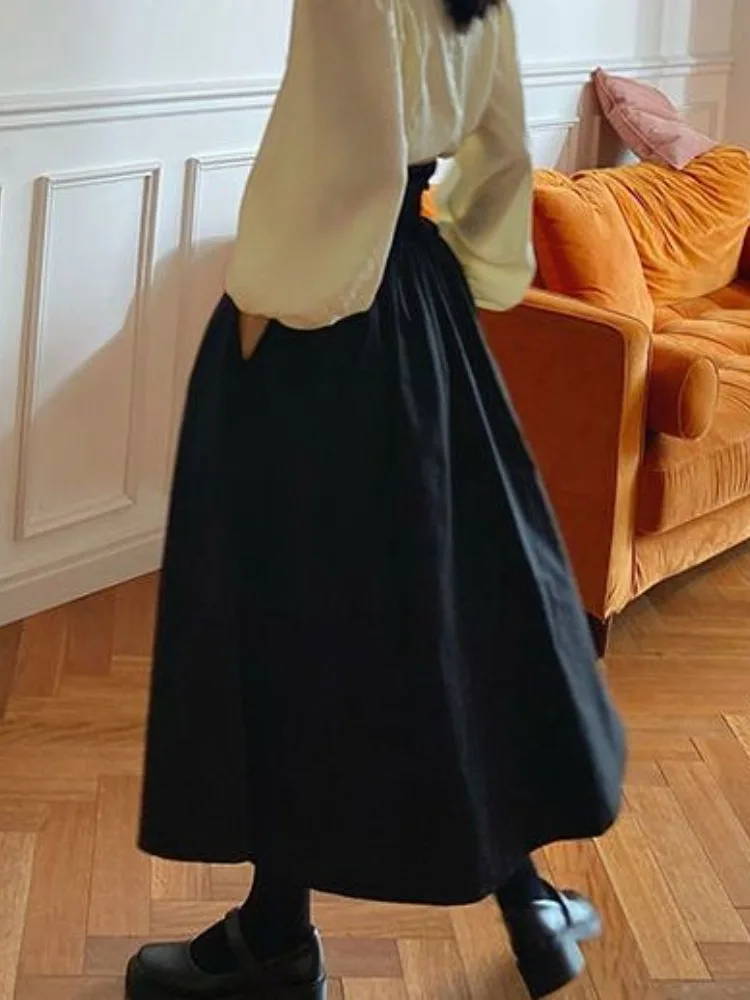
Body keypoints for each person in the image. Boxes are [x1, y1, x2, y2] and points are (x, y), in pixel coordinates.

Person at [127, 1, 626, 998]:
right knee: (455, 604)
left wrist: (269, 304)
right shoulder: (479, 5)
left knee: (295, 625)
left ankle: (277, 938)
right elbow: (500, 157)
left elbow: (345, 153)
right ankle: (527, 901)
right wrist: (467, 280)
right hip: (421, 305)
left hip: (319, 331)